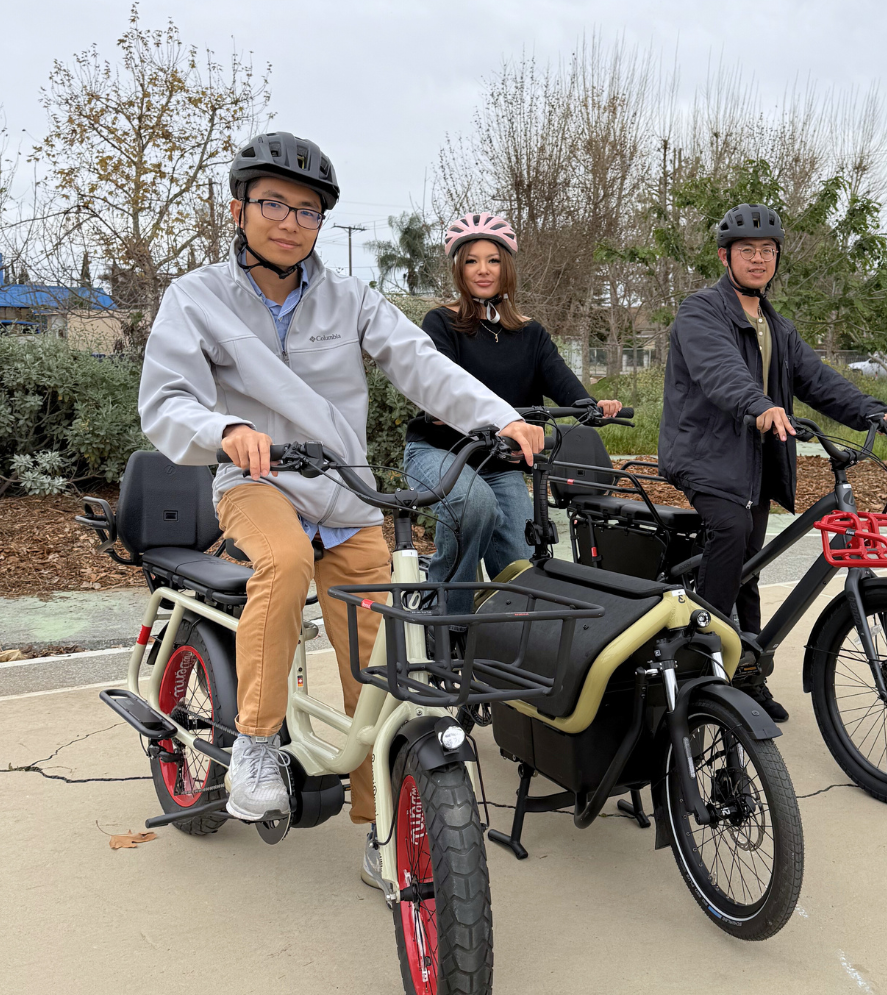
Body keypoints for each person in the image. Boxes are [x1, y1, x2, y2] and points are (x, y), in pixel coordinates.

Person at [138, 134, 543, 851]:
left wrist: (500, 417)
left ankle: (381, 825)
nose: (290, 221)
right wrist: (223, 427)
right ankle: (257, 744)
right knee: (285, 563)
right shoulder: (195, 298)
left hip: (345, 491)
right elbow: (167, 400)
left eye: (307, 210)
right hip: (255, 481)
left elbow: (420, 364)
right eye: (273, 204)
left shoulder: (349, 297)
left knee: (378, 656)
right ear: (239, 208)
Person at [659, 202, 887, 721]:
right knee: (730, 534)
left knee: (749, 565)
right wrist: (760, 405)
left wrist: (874, 411)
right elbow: (719, 371)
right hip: (705, 454)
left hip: (753, 461)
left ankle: (747, 675)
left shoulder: (777, 325)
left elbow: (818, 381)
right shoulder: (700, 311)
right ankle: (698, 663)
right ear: (726, 257)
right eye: (747, 250)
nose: (758, 259)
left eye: (767, 251)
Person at [402, 212, 622, 612]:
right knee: (474, 506)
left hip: (499, 463)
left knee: (523, 557)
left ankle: (511, 637)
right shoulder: (441, 323)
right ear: (458, 269)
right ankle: (448, 612)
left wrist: (593, 406)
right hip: (441, 453)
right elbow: (439, 386)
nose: (483, 270)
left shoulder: (530, 333)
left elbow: (561, 381)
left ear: (507, 268)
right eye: (471, 260)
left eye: (493, 260)